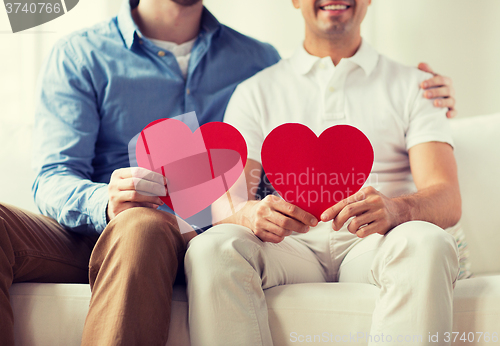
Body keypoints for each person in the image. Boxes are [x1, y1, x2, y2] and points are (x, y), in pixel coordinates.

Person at [0, 0, 456, 345]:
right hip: (98, 229)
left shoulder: (255, 61)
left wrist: (428, 93)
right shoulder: (82, 54)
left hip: (177, 229)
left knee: (145, 225)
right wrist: (104, 200)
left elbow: (266, 159)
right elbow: (55, 175)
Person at [184, 1, 461, 345]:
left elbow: (447, 197)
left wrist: (395, 209)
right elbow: (227, 205)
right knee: (210, 247)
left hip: (376, 243)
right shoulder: (255, 91)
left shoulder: (418, 86)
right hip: (290, 247)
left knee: (429, 241)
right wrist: (250, 213)